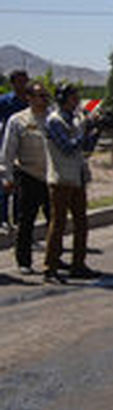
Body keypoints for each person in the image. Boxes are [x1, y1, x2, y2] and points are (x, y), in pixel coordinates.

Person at [43, 83, 102, 282]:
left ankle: (78, 264)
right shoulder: (55, 121)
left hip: (77, 177)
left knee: (81, 223)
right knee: (58, 223)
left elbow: (85, 148)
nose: (76, 100)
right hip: (61, 179)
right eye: (73, 97)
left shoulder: (76, 120)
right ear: (63, 99)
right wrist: (84, 130)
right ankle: (50, 268)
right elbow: (67, 147)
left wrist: (96, 130)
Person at [0, 81, 50, 274]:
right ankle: (24, 261)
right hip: (28, 175)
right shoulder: (18, 120)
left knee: (55, 220)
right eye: (40, 96)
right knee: (26, 221)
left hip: (51, 176)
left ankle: (53, 258)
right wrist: (7, 176)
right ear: (29, 98)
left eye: (46, 95)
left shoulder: (52, 119)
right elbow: (8, 151)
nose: (44, 99)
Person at [0, 70, 31, 232]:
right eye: (20, 82)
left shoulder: (31, 102)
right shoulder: (5, 102)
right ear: (13, 83)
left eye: (25, 81)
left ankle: (18, 219)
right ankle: (3, 219)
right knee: (5, 183)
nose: (23, 85)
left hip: (25, 149)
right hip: (7, 147)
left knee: (21, 186)